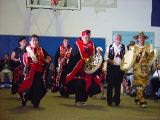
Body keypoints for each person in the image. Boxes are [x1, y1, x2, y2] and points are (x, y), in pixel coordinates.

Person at [63, 30, 101, 106]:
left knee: (86, 83)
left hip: (88, 69)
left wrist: (99, 52)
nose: (87, 38)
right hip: (78, 68)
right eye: (86, 37)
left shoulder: (92, 45)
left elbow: (96, 56)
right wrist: (82, 61)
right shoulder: (77, 44)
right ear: (82, 37)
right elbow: (73, 57)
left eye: (88, 37)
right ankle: (78, 100)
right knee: (79, 84)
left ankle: (83, 100)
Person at [18, 34, 51, 108]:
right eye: (33, 40)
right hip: (29, 72)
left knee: (38, 87)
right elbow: (21, 58)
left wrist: (46, 60)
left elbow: (48, 58)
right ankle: (24, 100)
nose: (35, 42)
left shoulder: (42, 50)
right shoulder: (27, 49)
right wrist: (27, 56)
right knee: (27, 87)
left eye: (36, 40)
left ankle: (36, 102)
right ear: (30, 42)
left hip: (39, 72)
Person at [127, 32, 157, 107]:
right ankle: (142, 100)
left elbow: (151, 57)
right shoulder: (133, 47)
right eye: (139, 37)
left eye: (142, 37)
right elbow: (130, 58)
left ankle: (137, 97)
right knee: (139, 83)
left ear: (144, 38)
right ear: (137, 39)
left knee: (143, 84)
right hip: (137, 68)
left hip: (145, 68)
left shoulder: (148, 47)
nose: (141, 39)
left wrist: (153, 64)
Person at [105, 33, 125, 106]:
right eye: (117, 38)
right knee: (110, 85)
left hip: (120, 68)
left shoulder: (124, 46)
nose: (118, 39)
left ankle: (117, 101)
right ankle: (109, 101)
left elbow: (126, 57)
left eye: (119, 38)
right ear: (114, 39)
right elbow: (106, 57)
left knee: (118, 85)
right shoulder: (109, 46)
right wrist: (109, 60)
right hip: (111, 68)